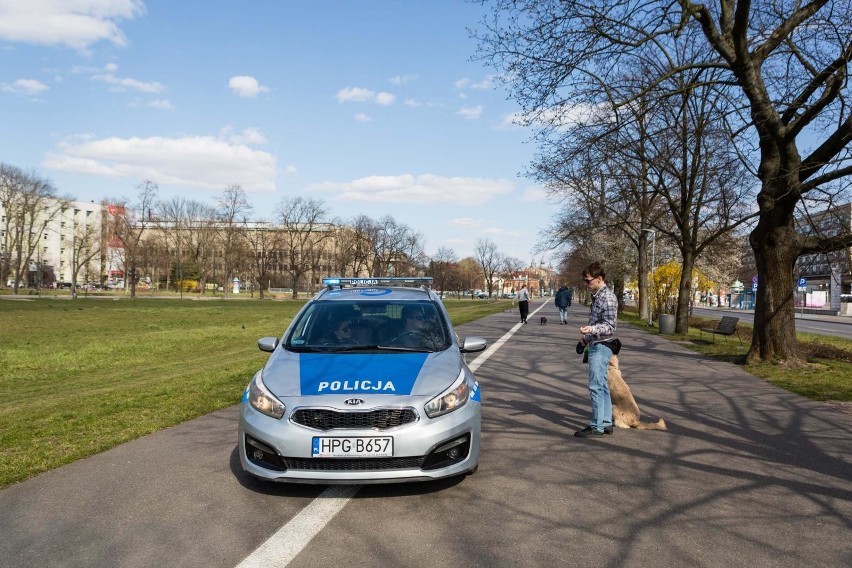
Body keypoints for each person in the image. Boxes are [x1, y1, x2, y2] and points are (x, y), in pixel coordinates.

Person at [575, 261, 618, 438]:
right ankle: (606, 422)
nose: (586, 284)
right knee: (601, 385)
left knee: (595, 387)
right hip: (596, 344)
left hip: (602, 346)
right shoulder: (598, 295)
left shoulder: (607, 297)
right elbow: (597, 323)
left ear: (599, 279)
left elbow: (609, 327)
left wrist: (590, 330)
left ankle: (597, 426)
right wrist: (584, 340)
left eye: (588, 281)